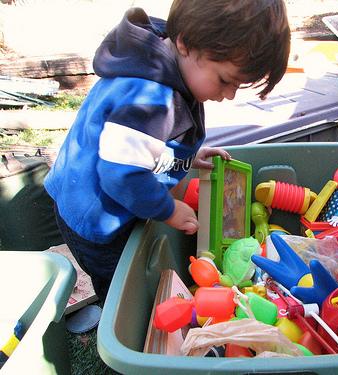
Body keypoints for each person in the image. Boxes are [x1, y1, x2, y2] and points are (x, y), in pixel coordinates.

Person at [44, 0, 291, 302]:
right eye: (225, 80)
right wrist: (169, 210)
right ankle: (118, 334)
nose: (228, 95)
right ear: (186, 43)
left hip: (110, 191)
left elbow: (146, 146)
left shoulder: (178, 62)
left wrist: (186, 158)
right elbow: (121, 173)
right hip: (96, 216)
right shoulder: (149, 97)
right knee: (121, 287)